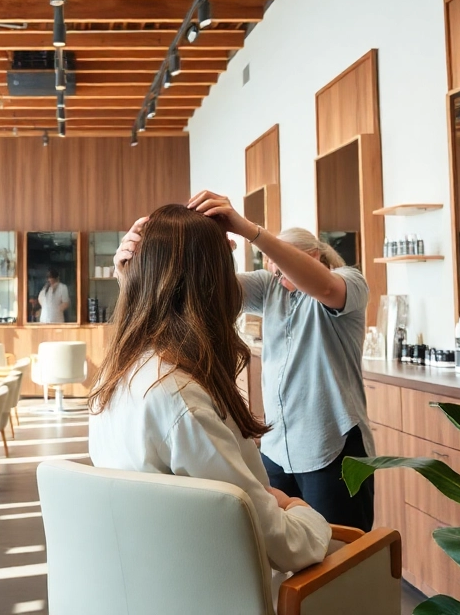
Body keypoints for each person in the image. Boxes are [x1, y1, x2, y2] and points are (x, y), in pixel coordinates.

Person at [90, 204, 331, 574]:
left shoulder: (115, 378)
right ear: (216, 285)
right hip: (210, 585)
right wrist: (300, 510)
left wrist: (136, 279)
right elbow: (281, 545)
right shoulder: (181, 399)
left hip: (148, 577)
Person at [115, 192, 375, 531]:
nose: (274, 270)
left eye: (280, 259)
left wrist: (250, 230)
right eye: (270, 264)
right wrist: (133, 271)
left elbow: (325, 288)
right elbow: (195, 290)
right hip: (277, 448)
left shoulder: (350, 283)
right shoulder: (271, 288)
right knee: (283, 541)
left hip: (333, 446)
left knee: (340, 544)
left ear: (313, 256)